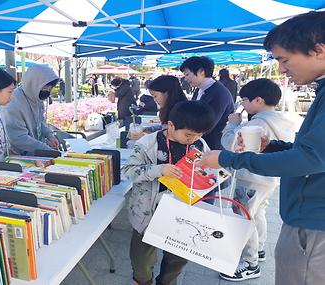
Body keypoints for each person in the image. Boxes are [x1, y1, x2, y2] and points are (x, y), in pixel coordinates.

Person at [198, 11, 325, 285]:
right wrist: (271, 147)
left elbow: (312, 157)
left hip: (314, 223)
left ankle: (250, 262)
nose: (281, 69)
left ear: (318, 50)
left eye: (284, 59)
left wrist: (229, 159)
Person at [122, 100, 215, 285]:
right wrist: (159, 169)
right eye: (188, 134)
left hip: (182, 213)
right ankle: (143, 281)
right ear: (171, 125)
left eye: (199, 134)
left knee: (177, 257)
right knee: (141, 259)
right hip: (148, 213)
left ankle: (167, 282)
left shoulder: (200, 144)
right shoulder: (148, 143)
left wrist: (211, 174)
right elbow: (128, 171)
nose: (194, 138)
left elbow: (206, 172)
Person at [219, 79, 296, 282]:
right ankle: (259, 249)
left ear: (258, 100)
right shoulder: (281, 119)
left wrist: (232, 125)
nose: (243, 105)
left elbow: (231, 144)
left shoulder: (257, 123)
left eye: (245, 100)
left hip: (251, 179)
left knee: (244, 218)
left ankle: (250, 264)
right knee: (257, 213)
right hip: (268, 179)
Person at [180, 56, 234, 150]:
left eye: (187, 74)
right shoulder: (199, 89)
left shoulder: (219, 93)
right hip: (201, 143)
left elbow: (208, 125)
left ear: (201, 71)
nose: (185, 79)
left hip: (213, 146)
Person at [4, 64, 59, 155]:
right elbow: (18, 137)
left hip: (35, 153)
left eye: (51, 87)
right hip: (19, 155)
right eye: (45, 86)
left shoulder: (37, 98)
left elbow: (40, 121)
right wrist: (46, 149)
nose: (48, 91)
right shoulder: (14, 101)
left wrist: (49, 135)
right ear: (33, 83)